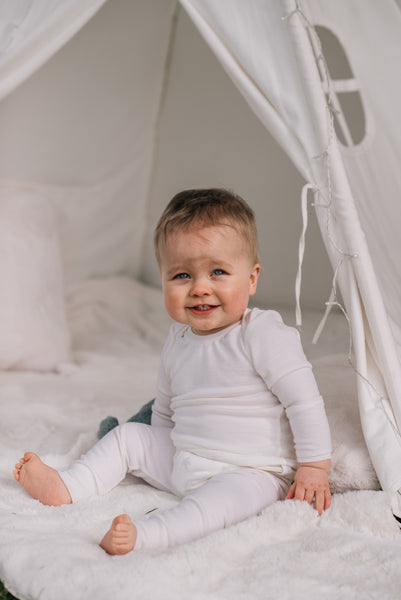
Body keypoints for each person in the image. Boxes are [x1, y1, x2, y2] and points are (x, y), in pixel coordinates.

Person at [14, 188, 331, 555]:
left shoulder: (260, 333)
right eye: (182, 275)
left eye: (218, 272)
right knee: (128, 436)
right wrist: (156, 449)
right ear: (163, 279)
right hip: (184, 457)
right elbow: (166, 408)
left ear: (252, 278)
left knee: (214, 507)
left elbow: (304, 402)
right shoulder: (179, 339)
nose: (199, 288)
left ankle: (146, 537)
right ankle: (67, 486)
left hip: (248, 471)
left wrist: (314, 467)